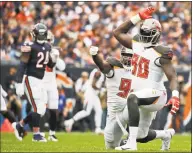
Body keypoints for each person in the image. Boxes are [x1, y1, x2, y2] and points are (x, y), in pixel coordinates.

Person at [113, 6, 179, 151]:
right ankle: (166, 135)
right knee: (141, 135)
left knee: (132, 99)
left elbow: (172, 76)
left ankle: (131, 143)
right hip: (141, 95)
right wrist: (138, 17)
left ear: (157, 34)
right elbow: (117, 32)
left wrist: (175, 96)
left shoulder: (162, 52)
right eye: (143, 31)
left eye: (147, 33)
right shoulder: (136, 43)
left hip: (156, 94)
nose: (144, 35)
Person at [12, 23, 56, 142]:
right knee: (37, 108)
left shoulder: (46, 47)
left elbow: (51, 64)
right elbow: (23, 65)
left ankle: (19, 125)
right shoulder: (31, 46)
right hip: (30, 79)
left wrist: (53, 56)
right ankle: (36, 135)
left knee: (41, 109)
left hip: (40, 80)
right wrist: (19, 83)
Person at [64, 68, 104, 134]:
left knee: (99, 111)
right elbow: (93, 85)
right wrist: (101, 88)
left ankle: (98, 128)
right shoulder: (98, 71)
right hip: (90, 95)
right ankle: (70, 121)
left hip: (94, 95)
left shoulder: (99, 71)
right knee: (86, 112)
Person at [42, 31, 66, 141]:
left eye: (49, 40)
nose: (48, 42)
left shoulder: (54, 51)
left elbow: (62, 67)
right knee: (40, 110)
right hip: (41, 83)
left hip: (52, 84)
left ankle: (52, 133)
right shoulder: (38, 51)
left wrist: (56, 56)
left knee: (53, 110)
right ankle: (40, 133)